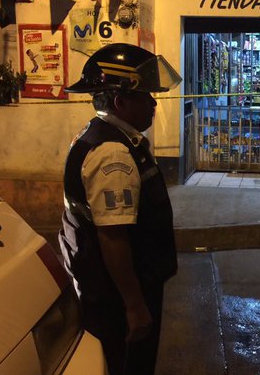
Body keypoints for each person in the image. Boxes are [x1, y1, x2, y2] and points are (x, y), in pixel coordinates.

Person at [59, 43, 182, 374]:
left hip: (115, 286)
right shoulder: (113, 153)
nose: (154, 103)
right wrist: (134, 306)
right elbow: (112, 236)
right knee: (128, 365)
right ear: (120, 101)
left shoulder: (110, 137)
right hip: (116, 294)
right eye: (146, 96)